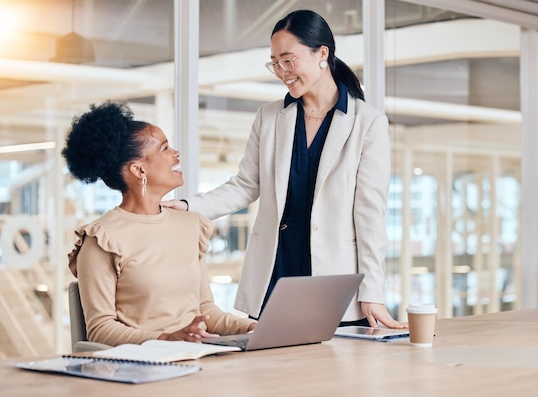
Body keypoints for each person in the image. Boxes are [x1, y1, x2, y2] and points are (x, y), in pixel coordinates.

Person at [163, 9, 406, 329]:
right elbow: (245, 185)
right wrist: (188, 206)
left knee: (336, 375)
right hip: (276, 268)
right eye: (275, 62)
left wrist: (373, 292)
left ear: (322, 53)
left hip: (334, 276)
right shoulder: (269, 117)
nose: (281, 71)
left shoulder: (367, 123)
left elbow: (370, 215)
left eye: (288, 60)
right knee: (272, 374)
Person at [63, 102, 256, 347]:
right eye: (164, 148)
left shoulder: (190, 226)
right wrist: (165, 339)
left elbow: (207, 311)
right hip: (141, 368)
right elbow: (100, 329)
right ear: (138, 169)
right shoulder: (102, 238)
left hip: (198, 358)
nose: (176, 154)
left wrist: (252, 327)